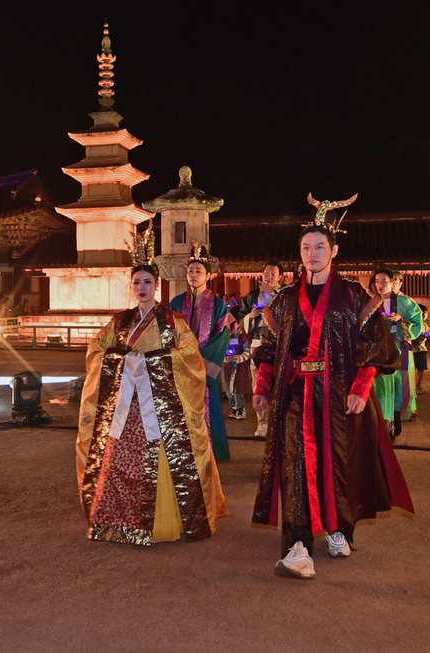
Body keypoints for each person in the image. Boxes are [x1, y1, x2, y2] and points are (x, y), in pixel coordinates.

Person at [251, 200, 413, 580]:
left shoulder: (354, 295)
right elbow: (271, 346)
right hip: (295, 395)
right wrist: (262, 385)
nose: (312, 254)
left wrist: (361, 386)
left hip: (341, 396)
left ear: (334, 251)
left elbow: (373, 346)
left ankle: (340, 528)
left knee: (341, 464)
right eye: (306, 247)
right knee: (296, 466)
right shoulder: (287, 299)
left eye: (320, 247)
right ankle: (298, 546)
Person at [77, 251, 228, 545]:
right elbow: (95, 350)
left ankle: (164, 522)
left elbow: (190, 357)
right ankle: (121, 522)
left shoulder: (173, 321)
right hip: (125, 408)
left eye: (147, 281)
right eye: (136, 282)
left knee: (165, 464)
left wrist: (151, 363)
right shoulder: (119, 323)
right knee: (120, 464)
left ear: (156, 285)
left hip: (161, 408)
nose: (142, 287)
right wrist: (123, 363)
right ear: (131, 286)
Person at [168, 244, 233, 462]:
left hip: (206, 366)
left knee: (209, 404)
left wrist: (200, 358)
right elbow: (167, 333)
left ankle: (212, 452)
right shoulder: (176, 303)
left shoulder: (218, 305)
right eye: (190, 271)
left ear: (208, 275)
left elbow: (224, 335)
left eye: (198, 271)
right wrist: (180, 356)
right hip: (181, 365)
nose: (193, 275)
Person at [370, 269, 425, 438]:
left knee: (400, 384)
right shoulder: (370, 303)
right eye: (377, 281)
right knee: (381, 386)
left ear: (393, 283)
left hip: (400, 349)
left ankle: (396, 419)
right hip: (379, 351)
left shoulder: (406, 303)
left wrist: (401, 319)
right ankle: (382, 421)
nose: (380, 285)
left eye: (384, 281)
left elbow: (418, 324)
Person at [237, 261, 284, 437]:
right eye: (266, 273)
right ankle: (262, 423)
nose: (269, 276)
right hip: (258, 345)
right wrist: (250, 316)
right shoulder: (252, 297)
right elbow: (241, 318)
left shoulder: (284, 295)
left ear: (279, 277)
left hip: (279, 345)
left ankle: (280, 422)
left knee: (280, 384)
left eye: (273, 274)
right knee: (259, 384)